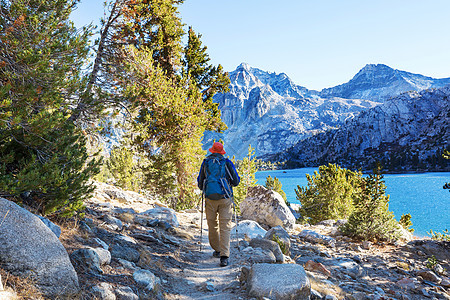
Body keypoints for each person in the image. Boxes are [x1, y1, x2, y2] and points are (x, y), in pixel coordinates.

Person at [197, 142, 240, 267]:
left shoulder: (206, 163)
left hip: (210, 199)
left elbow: (200, 182)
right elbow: (236, 181)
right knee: (225, 226)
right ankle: (224, 256)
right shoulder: (227, 163)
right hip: (225, 198)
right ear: (222, 151)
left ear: (212, 151)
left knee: (212, 224)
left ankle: (217, 249)